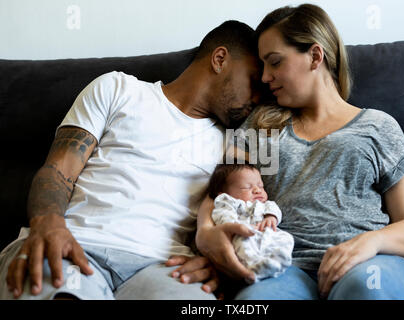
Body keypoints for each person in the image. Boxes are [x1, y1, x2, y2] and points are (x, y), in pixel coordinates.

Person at [0, 20, 262, 300]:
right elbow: (58, 169)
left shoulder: (235, 145)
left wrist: (218, 261)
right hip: (75, 245)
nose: (258, 98)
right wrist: (47, 222)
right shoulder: (118, 88)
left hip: (165, 268)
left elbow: (238, 212)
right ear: (220, 59)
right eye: (253, 82)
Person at [195, 4, 404, 300]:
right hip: (283, 267)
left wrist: (370, 243)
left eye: (275, 62)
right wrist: (205, 233)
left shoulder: (377, 126)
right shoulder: (261, 125)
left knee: (366, 289)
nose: (265, 77)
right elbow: (219, 190)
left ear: (315, 56)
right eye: (263, 66)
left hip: (370, 262)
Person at [206, 163, 294, 283]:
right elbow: (223, 215)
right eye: (246, 187)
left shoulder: (265, 204)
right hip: (243, 234)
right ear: (224, 194)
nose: (258, 190)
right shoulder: (229, 202)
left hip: (266, 233)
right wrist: (236, 226)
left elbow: (274, 208)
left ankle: (277, 260)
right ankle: (254, 269)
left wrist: (271, 216)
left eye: (261, 186)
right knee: (243, 245)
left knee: (286, 237)